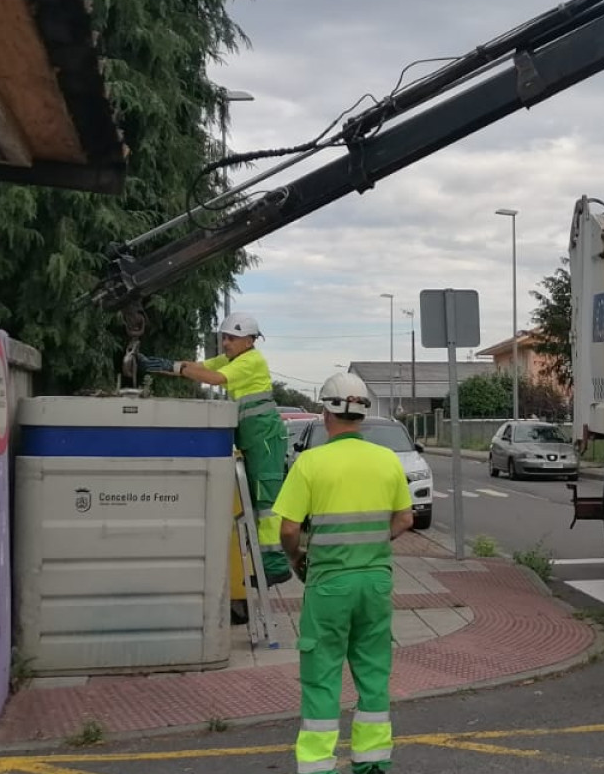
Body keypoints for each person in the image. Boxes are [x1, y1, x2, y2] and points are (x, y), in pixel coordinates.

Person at [274, 371, 412, 774]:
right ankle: (371, 762)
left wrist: (297, 557)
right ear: (363, 415)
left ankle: (318, 765)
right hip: (375, 581)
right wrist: (370, 540)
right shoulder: (387, 460)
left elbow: (287, 528)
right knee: (372, 670)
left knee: (322, 673)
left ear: (325, 413)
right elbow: (404, 519)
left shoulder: (311, 463)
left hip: (330, 584)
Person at [136, 311, 292, 583]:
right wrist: (157, 365)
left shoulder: (251, 361)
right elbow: (200, 367)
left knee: (266, 500)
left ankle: (275, 565)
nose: (225, 343)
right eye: (224, 338)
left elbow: (214, 378)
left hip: (265, 436)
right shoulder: (234, 358)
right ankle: (266, 562)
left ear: (248, 340)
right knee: (257, 501)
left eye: (231, 338)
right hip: (254, 435)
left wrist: (177, 368)